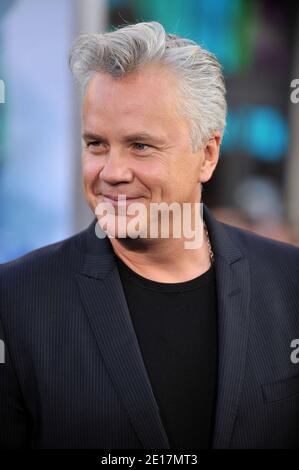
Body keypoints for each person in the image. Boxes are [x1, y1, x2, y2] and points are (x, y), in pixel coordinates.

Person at [0, 21, 299, 450]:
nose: (112, 173)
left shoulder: (289, 283)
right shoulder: (14, 301)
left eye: (141, 146)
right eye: (96, 144)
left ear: (208, 155)